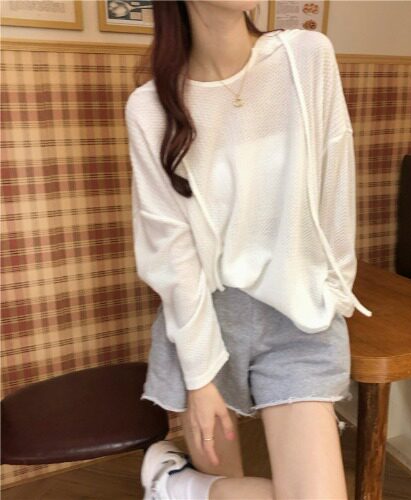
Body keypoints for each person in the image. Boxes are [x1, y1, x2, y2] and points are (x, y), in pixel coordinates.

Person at [125, 1, 373, 499]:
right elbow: (172, 254)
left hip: (299, 317)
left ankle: (178, 486)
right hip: (207, 321)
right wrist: (200, 378)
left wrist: (333, 294)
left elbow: (336, 187)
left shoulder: (306, 58)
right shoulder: (150, 108)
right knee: (232, 484)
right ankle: (182, 483)